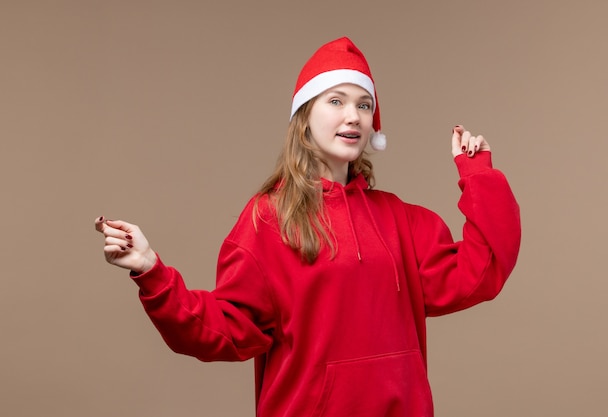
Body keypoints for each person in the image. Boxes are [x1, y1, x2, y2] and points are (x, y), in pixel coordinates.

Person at [95, 37, 521, 417]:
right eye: (336, 101)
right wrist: (152, 271)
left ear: (374, 123)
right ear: (305, 116)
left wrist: (478, 174)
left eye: (364, 104)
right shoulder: (268, 219)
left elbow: (481, 271)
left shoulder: (400, 220)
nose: (352, 115)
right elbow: (225, 329)